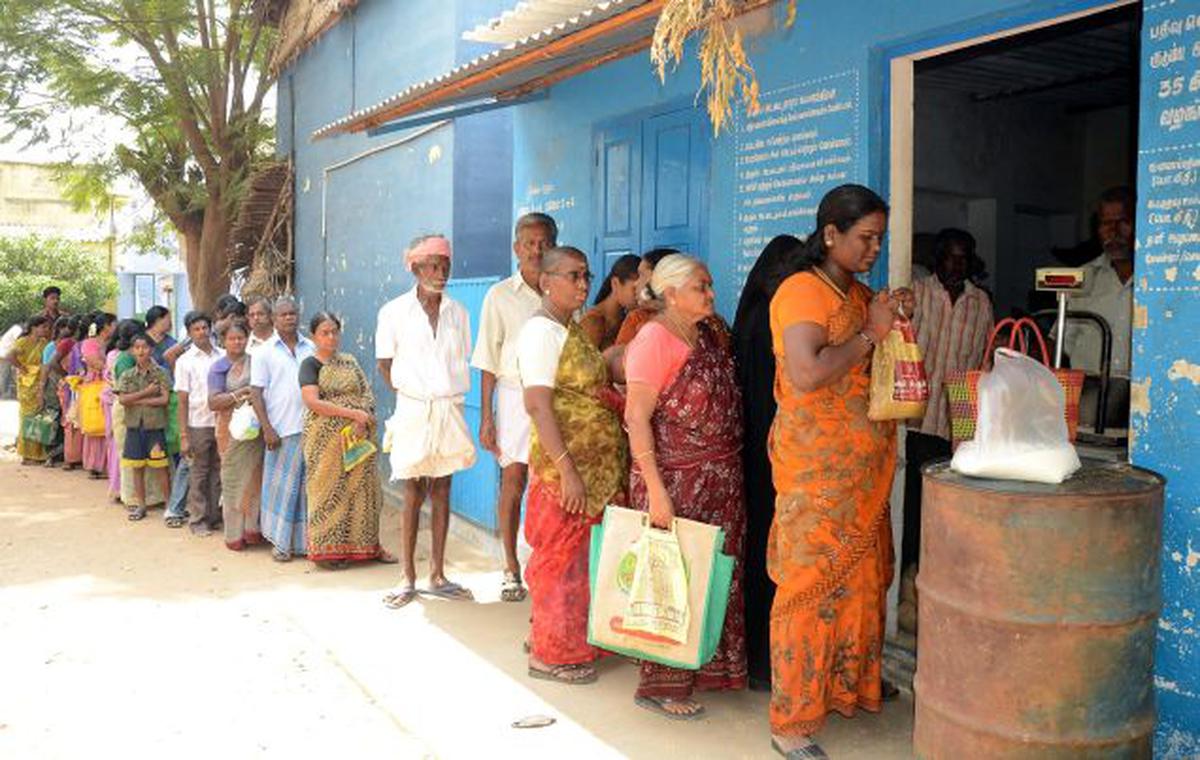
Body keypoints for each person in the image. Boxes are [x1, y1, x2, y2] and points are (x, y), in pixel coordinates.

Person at [767, 185, 912, 759]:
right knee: (808, 593)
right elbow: (807, 373)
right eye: (865, 238)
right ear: (830, 234)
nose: (875, 248)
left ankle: (850, 687)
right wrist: (873, 332)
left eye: (880, 238)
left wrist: (889, 319)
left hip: (862, 473)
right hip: (817, 477)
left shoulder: (857, 291)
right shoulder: (802, 290)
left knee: (863, 583)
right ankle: (792, 722)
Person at [624, 254, 747, 719]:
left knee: (713, 576)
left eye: (711, 286)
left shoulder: (710, 335)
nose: (712, 295)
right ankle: (660, 685)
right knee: (671, 578)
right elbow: (636, 418)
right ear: (671, 294)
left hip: (721, 482)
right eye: (702, 287)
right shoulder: (653, 338)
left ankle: (709, 669)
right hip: (675, 481)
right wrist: (656, 489)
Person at [518, 246, 627, 684]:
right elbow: (538, 405)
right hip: (565, 472)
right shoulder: (540, 332)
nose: (584, 284)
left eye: (586, 275)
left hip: (592, 470)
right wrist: (567, 470)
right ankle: (552, 655)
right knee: (562, 564)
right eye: (573, 276)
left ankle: (562, 638)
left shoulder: (571, 329)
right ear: (546, 281)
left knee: (582, 563)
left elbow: (581, 383)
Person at [377, 235, 474, 607]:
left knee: (444, 488)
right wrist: (411, 396)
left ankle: (437, 574)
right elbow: (385, 364)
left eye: (445, 266)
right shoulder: (394, 312)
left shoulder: (458, 313)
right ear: (415, 268)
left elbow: (459, 360)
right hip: (414, 409)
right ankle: (408, 575)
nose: (440, 273)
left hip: (448, 409)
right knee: (413, 489)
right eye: (432, 266)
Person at [731, 233, 806, 692]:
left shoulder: (753, 317)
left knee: (763, 548)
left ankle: (760, 657)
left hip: (759, 451)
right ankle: (764, 659)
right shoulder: (769, 321)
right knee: (768, 553)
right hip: (770, 451)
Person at [905, 229, 994, 616]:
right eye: (950, 257)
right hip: (913, 421)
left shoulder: (981, 303)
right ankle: (907, 590)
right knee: (908, 511)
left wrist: (973, 428)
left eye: (964, 258)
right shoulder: (917, 293)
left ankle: (933, 589)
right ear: (937, 258)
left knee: (941, 515)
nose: (956, 265)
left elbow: (982, 366)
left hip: (955, 429)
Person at [471, 212, 557, 602]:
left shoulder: (564, 290)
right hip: (513, 397)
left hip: (556, 399)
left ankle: (549, 564)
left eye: (544, 242)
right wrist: (487, 416)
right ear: (516, 248)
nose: (537, 250)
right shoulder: (500, 296)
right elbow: (488, 360)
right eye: (529, 243)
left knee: (554, 481)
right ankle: (510, 566)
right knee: (514, 481)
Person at [300, 311, 392, 569]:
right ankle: (328, 552)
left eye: (334, 332)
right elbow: (312, 402)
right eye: (324, 333)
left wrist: (362, 420)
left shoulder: (350, 362)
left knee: (366, 493)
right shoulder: (310, 365)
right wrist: (352, 413)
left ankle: (367, 547)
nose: (331, 337)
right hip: (325, 443)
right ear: (314, 336)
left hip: (358, 438)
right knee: (327, 493)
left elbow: (367, 394)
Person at [249, 296, 315, 562]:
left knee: (307, 491)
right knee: (281, 492)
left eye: (293, 313)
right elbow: (255, 393)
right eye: (283, 314)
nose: (289, 318)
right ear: (274, 320)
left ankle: (307, 544)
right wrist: (267, 429)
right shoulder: (264, 352)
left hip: (311, 429)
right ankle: (281, 544)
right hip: (281, 431)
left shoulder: (310, 347)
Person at [1062, 186, 1135, 379]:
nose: (1113, 231)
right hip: (1091, 392)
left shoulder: (1162, 281)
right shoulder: (1083, 277)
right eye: (1106, 224)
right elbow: (1061, 344)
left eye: (1123, 222)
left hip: (1143, 396)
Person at [207, 319, 264, 551]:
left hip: (255, 430)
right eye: (232, 338)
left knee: (254, 480)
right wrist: (239, 394)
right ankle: (233, 535)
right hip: (229, 430)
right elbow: (213, 402)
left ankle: (253, 529)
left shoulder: (256, 362)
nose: (237, 342)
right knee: (232, 480)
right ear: (224, 341)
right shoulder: (218, 368)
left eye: (241, 337)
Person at [175, 311, 225, 536]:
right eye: (196, 329)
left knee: (218, 471)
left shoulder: (222, 356)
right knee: (199, 472)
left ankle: (214, 516)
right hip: (198, 423)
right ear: (189, 333)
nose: (202, 332)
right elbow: (182, 400)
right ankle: (198, 519)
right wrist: (184, 435)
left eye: (205, 327)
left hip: (222, 422)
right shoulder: (185, 361)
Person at [117, 333, 173, 521]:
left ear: (151, 350)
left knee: (161, 468)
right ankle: (141, 505)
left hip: (154, 427)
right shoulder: (127, 375)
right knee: (137, 468)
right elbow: (123, 400)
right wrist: (148, 393)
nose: (141, 351)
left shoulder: (160, 373)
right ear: (132, 351)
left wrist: (138, 399)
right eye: (137, 347)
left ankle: (169, 505)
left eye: (145, 347)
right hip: (134, 427)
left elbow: (164, 399)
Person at [614, 247, 680, 346]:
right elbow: (621, 358)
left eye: (641, 275)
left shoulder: (695, 317)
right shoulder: (637, 318)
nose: (635, 284)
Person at [10, 316, 51, 464]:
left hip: (39, 381)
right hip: (27, 383)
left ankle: (36, 454)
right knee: (27, 417)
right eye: (43, 327)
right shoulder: (23, 341)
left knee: (38, 417)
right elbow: (10, 356)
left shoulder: (44, 343)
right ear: (34, 327)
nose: (46, 330)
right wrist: (21, 367)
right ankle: (26, 454)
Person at [79, 313, 116, 479]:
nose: (116, 327)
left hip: (109, 385)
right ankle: (95, 465)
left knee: (109, 425)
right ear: (106, 326)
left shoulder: (113, 344)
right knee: (96, 425)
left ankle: (109, 465)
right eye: (114, 324)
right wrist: (111, 369)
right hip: (95, 386)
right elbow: (94, 362)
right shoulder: (89, 343)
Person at [579, 253, 642, 350]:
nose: (640, 295)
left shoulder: (630, 318)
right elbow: (581, 363)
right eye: (634, 289)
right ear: (615, 283)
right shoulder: (593, 321)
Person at [0, 321, 22, 400]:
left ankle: (5, 393)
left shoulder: (13, 329)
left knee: (5, 375)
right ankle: (4, 394)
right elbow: (19, 341)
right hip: (5, 355)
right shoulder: (17, 329)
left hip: (4, 354)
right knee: (4, 375)